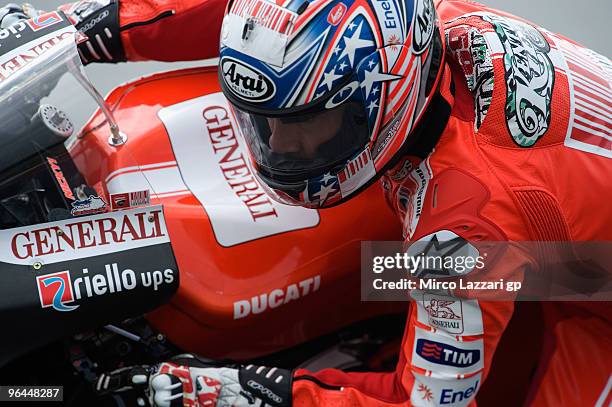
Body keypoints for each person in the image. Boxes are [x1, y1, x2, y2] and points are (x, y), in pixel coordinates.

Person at [2, 0, 611, 406]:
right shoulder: (391, 27)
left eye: (309, 122)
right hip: (563, 234)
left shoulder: (463, 231)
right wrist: (95, 27)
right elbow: (262, 12)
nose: (278, 143)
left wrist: (250, 391)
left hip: (590, 294)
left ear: (382, 94)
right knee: (366, 272)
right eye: (264, 121)